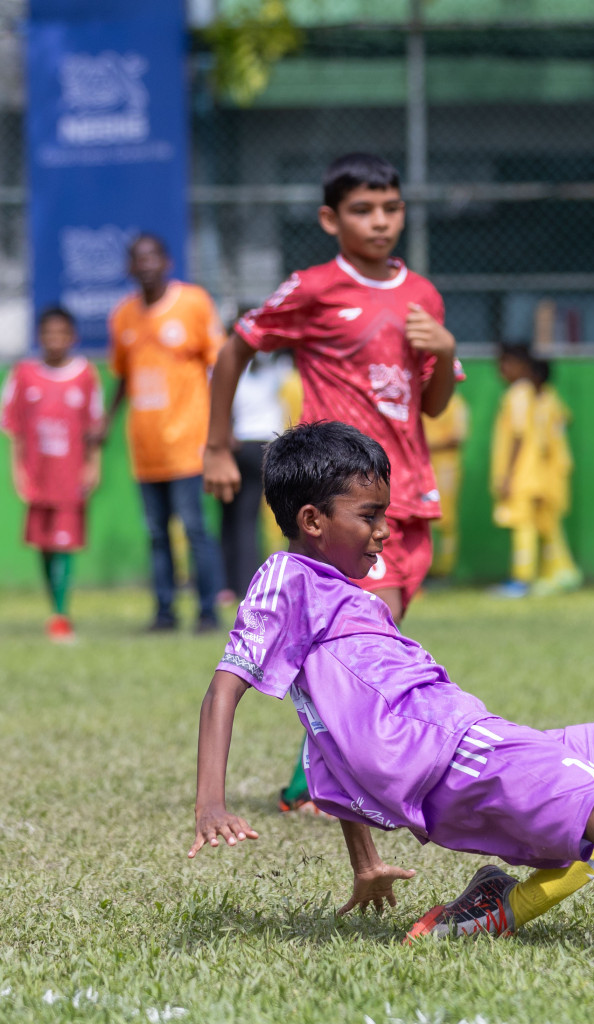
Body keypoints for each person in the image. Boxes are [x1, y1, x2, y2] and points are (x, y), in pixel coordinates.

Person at [188, 421, 594, 962]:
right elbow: (225, 688)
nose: (385, 531)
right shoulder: (286, 577)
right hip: (453, 754)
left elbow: (331, 736)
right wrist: (210, 803)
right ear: (310, 519)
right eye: (370, 516)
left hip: (473, 742)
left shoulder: (344, 605)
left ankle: (503, 907)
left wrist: (365, 861)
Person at [202, 152, 461, 816]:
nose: (380, 222)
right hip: (343, 501)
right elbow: (236, 348)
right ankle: (317, 786)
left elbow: (432, 405)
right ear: (330, 218)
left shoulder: (423, 293)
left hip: (408, 492)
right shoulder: (315, 288)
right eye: (362, 210)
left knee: (372, 637)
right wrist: (217, 445)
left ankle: (322, 782)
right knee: (360, 640)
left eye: (391, 208)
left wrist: (447, 352)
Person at [105, 234, 227, 632]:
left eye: (151, 258)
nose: (145, 266)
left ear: (167, 261)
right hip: (146, 445)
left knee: (194, 530)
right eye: (137, 260)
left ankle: (208, 610)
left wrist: (224, 428)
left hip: (188, 442)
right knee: (157, 534)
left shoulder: (193, 303)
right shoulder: (123, 315)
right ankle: (164, 612)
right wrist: (105, 420)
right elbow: (123, 376)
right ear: (129, 268)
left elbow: (220, 364)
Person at [1, 307, 103, 642]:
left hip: (70, 475)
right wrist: (18, 471)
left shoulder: (86, 375)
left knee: (64, 544)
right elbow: (15, 429)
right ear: (39, 337)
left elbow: (94, 427)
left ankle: (61, 615)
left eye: (61, 334)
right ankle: (54, 608)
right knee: (44, 545)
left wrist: (93, 464)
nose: (55, 340)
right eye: (48, 334)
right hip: (38, 475)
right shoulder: (23, 374)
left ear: (72, 337)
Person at [489, 344, 580, 598]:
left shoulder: (519, 393)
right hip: (542, 472)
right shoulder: (546, 397)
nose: (501, 369)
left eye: (506, 363)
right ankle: (561, 571)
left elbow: (519, 435)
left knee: (525, 525)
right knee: (546, 525)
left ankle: (523, 579)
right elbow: (562, 422)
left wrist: (507, 474)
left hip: (526, 473)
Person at [220, 349, 290, 601]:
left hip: (239, 444)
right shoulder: (273, 372)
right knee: (247, 519)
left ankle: (228, 583)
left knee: (230, 517)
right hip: (265, 445)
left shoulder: (237, 374)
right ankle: (246, 582)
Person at [423, 391, 469, 579]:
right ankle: (426, 569)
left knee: (446, 519)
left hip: (445, 470)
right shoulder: (420, 400)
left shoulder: (456, 403)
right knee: (423, 518)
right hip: (422, 468)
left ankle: (444, 570)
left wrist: (425, 444)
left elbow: (457, 437)